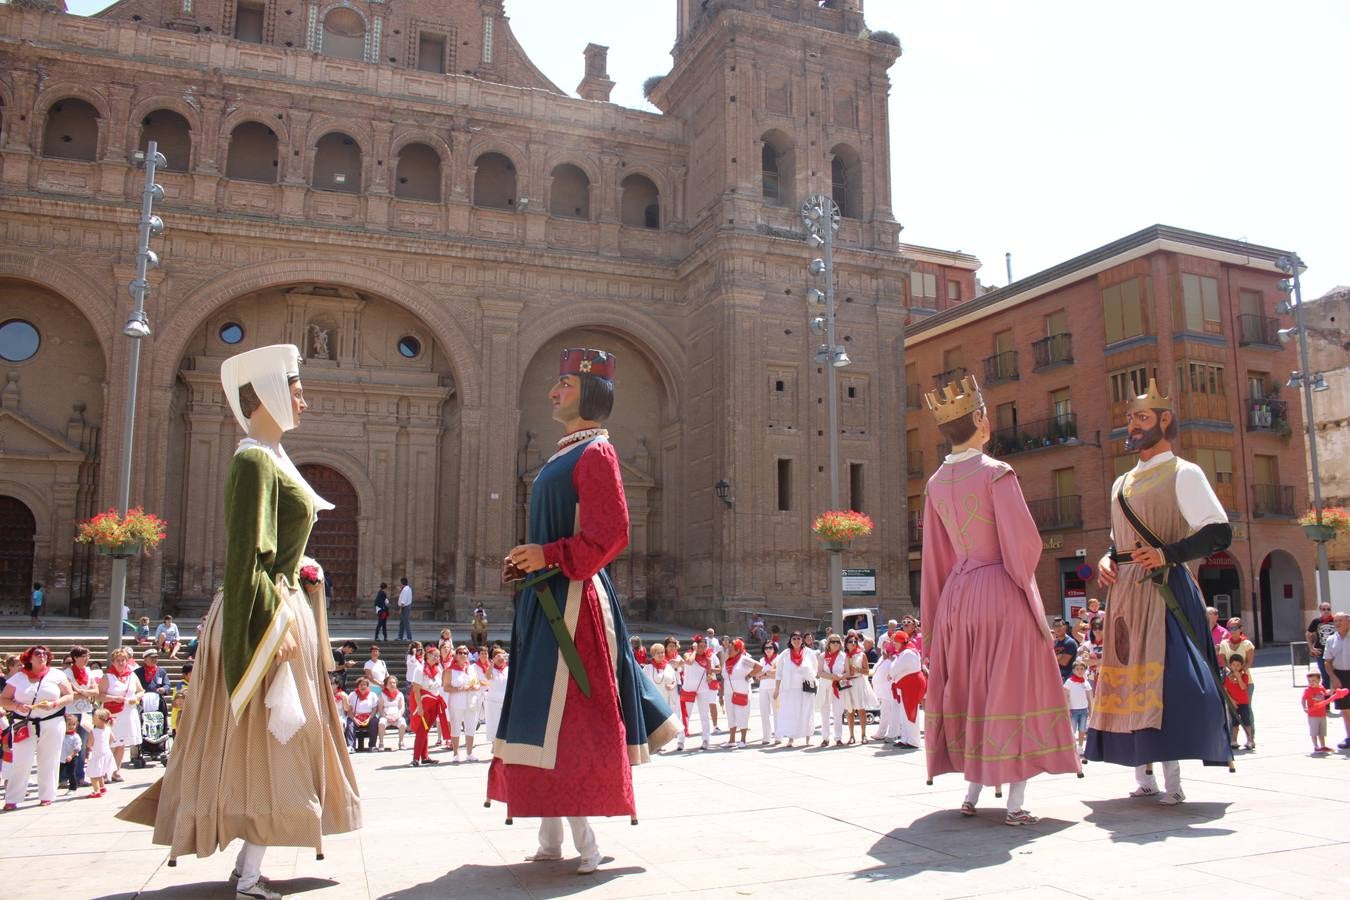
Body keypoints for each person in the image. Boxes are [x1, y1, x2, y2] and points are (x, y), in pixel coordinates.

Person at [117, 343, 360, 900]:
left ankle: (250, 863)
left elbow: (275, 547)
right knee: (269, 739)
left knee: (276, 741)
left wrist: (301, 564)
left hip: (278, 601)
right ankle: (249, 874)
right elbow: (247, 555)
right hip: (264, 614)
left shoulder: (272, 457)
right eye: (296, 390)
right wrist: (263, 639)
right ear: (270, 394)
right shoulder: (253, 459)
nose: (304, 400)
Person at [489, 347, 678, 876]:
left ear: (591, 394)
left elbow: (611, 534)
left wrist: (547, 555)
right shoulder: (563, 455)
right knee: (538, 715)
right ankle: (550, 837)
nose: (553, 392)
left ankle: (585, 842)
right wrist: (528, 564)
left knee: (565, 718)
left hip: (571, 608)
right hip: (544, 598)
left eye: (565, 386)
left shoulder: (596, 453)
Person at [920, 374, 1079, 825]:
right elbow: (1023, 544)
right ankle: (1014, 804)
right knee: (1014, 692)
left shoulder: (934, 483)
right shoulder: (997, 473)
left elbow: (935, 556)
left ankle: (971, 793)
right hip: (999, 590)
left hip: (957, 595)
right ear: (979, 420)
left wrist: (933, 622)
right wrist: (1024, 590)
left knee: (972, 691)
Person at [1086, 379, 1234, 805]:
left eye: (1142, 417)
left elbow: (1218, 532)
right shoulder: (1120, 482)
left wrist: (1169, 553)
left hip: (1165, 588)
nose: (1132, 425)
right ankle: (1142, 776)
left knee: (1168, 682)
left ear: (1165, 421)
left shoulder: (1184, 472)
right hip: (1125, 593)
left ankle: (1174, 782)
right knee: (1130, 679)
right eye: (1131, 417)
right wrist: (1106, 559)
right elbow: (1121, 542)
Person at [0, 646, 73, 809]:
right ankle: (12, 798)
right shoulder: (19, 677)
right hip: (24, 723)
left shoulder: (57, 675)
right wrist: (17, 706)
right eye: (37, 654)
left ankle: (47, 795)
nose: (42, 656)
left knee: (50, 758)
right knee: (21, 760)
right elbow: (3, 699)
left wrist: (55, 703)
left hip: (52, 720)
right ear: (29, 658)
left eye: (44, 654)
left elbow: (69, 696)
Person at [101, 646, 143, 781]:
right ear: (113, 662)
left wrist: (136, 698)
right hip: (113, 713)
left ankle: (116, 771)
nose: (121, 663)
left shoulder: (132, 675)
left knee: (121, 743)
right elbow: (99, 695)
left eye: (123, 660)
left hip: (128, 712)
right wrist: (114, 698)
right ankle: (105, 771)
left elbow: (141, 691)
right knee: (110, 743)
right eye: (118, 660)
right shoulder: (108, 676)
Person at [772, 632, 818, 748]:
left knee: (807, 712)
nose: (796, 640)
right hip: (790, 689)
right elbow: (779, 673)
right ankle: (791, 739)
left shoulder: (809, 653)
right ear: (790, 640)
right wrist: (776, 689)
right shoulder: (785, 654)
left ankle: (808, 738)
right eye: (794, 638)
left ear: (802, 640)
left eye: (798, 638)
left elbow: (815, 668)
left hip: (806, 689)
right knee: (791, 714)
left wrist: (811, 678)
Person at [63, 645, 100, 789]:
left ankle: (79, 776)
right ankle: (64, 777)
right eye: (83, 656)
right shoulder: (67, 673)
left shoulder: (89, 672)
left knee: (82, 745)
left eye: (88, 656)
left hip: (86, 712)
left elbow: (96, 691)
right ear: (75, 658)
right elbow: (69, 694)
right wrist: (86, 693)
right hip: (71, 711)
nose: (86, 659)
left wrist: (81, 691)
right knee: (67, 744)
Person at [408, 645, 444, 767]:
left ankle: (425, 756)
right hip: (423, 702)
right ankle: (416, 758)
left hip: (434, 703)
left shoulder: (438, 670)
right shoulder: (420, 669)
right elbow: (416, 690)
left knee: (426, 730)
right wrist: (420, 707)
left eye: (438, 656)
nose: (436, 658)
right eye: (434, 655)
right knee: (421, 730)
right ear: (427, 656)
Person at [443, 645, 480, 762]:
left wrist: (475, 687)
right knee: (456, 726)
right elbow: (446, 687)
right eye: (460, 653)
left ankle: (469, 753)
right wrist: (460, 689)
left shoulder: (472, 668)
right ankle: (455, 753)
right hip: (457, 701)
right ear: (456, 655)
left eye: (465, 653)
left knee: (470, 726)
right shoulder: (450, 670)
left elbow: (478, 683)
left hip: (471, 701)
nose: (463, 655)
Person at [722, 639, 760, 748]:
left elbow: (758, 667)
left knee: (742, 714)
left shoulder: (744, 659)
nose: (728, 650)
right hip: (729, 691)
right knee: (731, 714)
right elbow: (724, 677)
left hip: (741, 690)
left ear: (737, 649)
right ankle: (732, 739)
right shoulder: (727, 661)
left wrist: (749, 676)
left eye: (730, 648)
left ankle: (743, 740)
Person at [891, 632, 925, 750]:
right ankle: (905, 738)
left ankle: (913, 741)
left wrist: (891, 675)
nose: (894, 644)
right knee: (904, 713)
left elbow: (894, 669)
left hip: (911, 686)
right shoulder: (905, 652)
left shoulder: (907, 653)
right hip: (906, 686)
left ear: (901, 641)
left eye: (895, 641)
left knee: (910, 713)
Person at [642, 644, 681, 749]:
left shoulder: (668, 667)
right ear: (653, 654)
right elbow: (642, 682)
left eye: (662, 652)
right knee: (654, 722)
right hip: (653, 700)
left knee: (663, 722)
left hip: (666, 698)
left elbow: (674, 681)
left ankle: (661, 743)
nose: (661, 655)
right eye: (658, 653)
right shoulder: (648, 668)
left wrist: (672, 686)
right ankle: (651, 743)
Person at [1323, 612, 1350, 749]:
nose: (1337, 623)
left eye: (1341, 620)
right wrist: (1333, 678)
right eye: (1336, 621)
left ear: (1348, 622)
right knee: (1345, 709)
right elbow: (1327, 662)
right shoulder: (1331, 639)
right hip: (1340, 676)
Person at [1301, 671, 1337, 754]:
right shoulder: (1307, 690)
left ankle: (1323, 746)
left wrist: (1333, 691)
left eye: (1313, 681)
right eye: (1309, 681)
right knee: (1314, 731)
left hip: (1322, 714)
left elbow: (1326, 694)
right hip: (1313, 715)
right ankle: (1316, 747)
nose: (1311, 683)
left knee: (1322, 732)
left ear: (1319, 680)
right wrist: (1304, 707)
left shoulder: (1321, 688)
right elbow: (1303, 699)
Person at [1224, 655, 1254, 751]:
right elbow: (1225, 690)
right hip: (1233, 703)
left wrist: (1239, 677)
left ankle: (1250, 740)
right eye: (1233, 665)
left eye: (1238, 665)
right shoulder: (1227, 677)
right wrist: (1232, 701)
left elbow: (1243, 687)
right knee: (1234, 723)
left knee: (1246, 722)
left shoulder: (1244, 675)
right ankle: (1234, 740)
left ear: (1242, 665)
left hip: (1243, 702)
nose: (1236, 667)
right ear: (1230, 665)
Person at [482, 648, 509, 753]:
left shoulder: (508, 669)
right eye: (497, 656)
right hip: (493, 701)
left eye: (502, 655)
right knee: (494, 724)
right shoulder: (491, 669)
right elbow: (487, 677)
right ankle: (495, 746)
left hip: (506, 701)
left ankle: (504, 747)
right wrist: (492, 664)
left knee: (505, 724)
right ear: (493, 658)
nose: (500, 658)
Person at [1065, 661, 1093, 758]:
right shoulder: (1069, 682)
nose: (1080, 671)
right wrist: (1067, 708)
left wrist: (1090, 710)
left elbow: (1089, 698)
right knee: (1072, 730)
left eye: (1082, 669)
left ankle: (1080, 747)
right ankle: (1072, 747)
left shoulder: (1086, 683)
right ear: (1073, 670)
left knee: (1082, 730)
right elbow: (1066, 696)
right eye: (1077, 669)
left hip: (1083, 710)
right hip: (1073, 710)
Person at [86, 708, 115, 798]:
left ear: (99, 719)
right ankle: (102, 787)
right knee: (100, 771)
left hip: (97, 754)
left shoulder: (94, 731)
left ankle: (96, 791)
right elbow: (113, 739)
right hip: (106, 752)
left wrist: (90, 747)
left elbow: (89, 744)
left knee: (93, 774)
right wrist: (107, 745)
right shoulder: (108, 729)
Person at [346, 677, 380, 752]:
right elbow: (349, 710)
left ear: (368, 686)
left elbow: (374, 709)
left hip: (369, 716)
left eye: (364, 685)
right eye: (360, 685)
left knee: (375, 722)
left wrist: (369, 719)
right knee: (349, 724)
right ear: (357, 686)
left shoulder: (373, 695)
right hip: (356, 716)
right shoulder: (352, 695)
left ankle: (372, 745)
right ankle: (351, 746)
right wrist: (355, 720)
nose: (362, 687)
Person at [756, 639, 778, 745]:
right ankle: (766, 737)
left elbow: (777, 674)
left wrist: (764, 673)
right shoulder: (761, 660)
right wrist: (768, 673)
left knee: (777, 712)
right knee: (764, 713)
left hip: (775, 688)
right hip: (763, 688)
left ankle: (778, 736)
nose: (768, 650)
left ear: (774, 649)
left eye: (770, 647)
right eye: (766, 648)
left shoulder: (778, 659)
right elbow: (757, 676)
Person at [376, 674, 406, 751]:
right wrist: (386, 717)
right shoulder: (382, 694)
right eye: (390, 683)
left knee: (403, 723)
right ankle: (381, 742)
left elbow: (402, 707)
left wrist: (398, 716)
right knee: (381, 723)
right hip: (386, 716)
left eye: (394, 683)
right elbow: (380, 709)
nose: (392, 684)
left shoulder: (400, 694)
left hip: (396, 716)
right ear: (386, 685)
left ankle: (401, 742)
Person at [1309, 602, 1336, 685]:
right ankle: (1326, 695)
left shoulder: (1335, 620)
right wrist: (1311, 648)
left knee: (1336, 675)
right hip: (1321, 652)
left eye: (1328, 609)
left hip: (1335, 652)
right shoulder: (1316, 621)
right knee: (1325, 676)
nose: (1326, 611)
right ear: (1320, 610)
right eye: (1324, 609)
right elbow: (1308, 634)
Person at [59, 713, 83, 794]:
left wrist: (71, 755)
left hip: (72, 757)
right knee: (59, 771)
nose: (71, 726)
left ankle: (73, 788)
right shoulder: (61, 735)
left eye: (73, 724)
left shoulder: (76, 736)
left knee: (71, 773)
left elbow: (77, 748)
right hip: (61, 757)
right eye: (69, 724)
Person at [396, 577, 413, 641]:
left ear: (402, 583)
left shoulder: (405, 590)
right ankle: (400, 637)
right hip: (406, 607)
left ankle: (409, 637)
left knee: (406, 622)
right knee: (402, 623)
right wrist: (401, 590)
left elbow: (404, 600)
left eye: (400, 583)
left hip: (404, 607)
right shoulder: (407, 589)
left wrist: (400, 609)